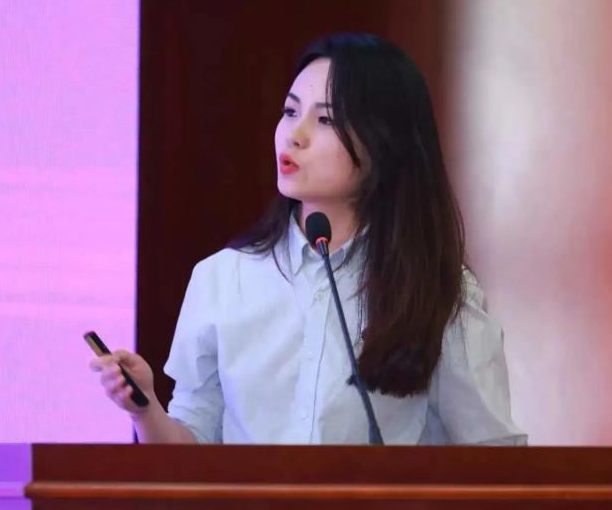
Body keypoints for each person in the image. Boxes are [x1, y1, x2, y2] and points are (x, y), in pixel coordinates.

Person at [89, 33, 526, 445]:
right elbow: (194, 449)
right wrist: (145, 410)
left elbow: (489, 455)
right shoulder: (221, 278)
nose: (294, 136)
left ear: (384, 142)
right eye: (290, 111)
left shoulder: (438, 291)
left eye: (325, 119)